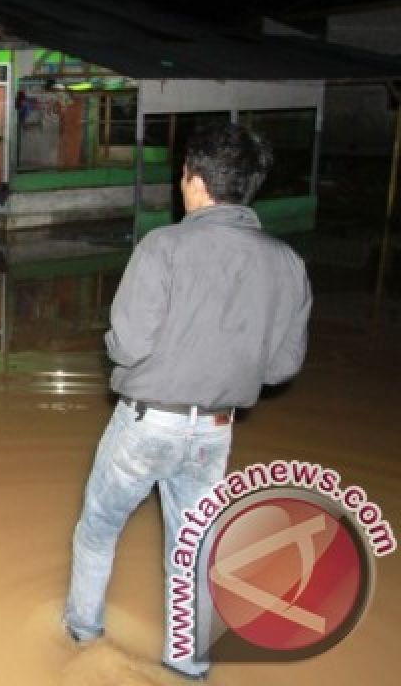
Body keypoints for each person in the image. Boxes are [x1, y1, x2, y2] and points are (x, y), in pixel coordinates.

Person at [62, 122, 312, 680]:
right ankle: (189, 663)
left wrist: (116, 349)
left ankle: (82, 637)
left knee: (98, 529)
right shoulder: (288, 263)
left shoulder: (163, 246)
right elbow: (282, 367)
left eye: (183, 176)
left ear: (195, 181)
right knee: (194, 549)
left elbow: (127, 345)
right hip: (214, 433)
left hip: (145, 424)